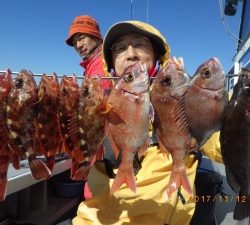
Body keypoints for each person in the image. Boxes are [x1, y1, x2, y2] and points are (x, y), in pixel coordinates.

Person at [72, 20, 223, 225]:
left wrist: (208, 104)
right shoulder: (100, 106)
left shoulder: (189, 101)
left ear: (157, 56)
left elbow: (224, 145)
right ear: (111, 62)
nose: (131, 53)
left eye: (140, 44)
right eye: (120, 48)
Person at [66, 15, 112, 92]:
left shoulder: (102, 66)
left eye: (81, 38)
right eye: (74, 42)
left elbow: (99, 103)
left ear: (97, 38)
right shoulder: (92, 64)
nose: (78, 45)